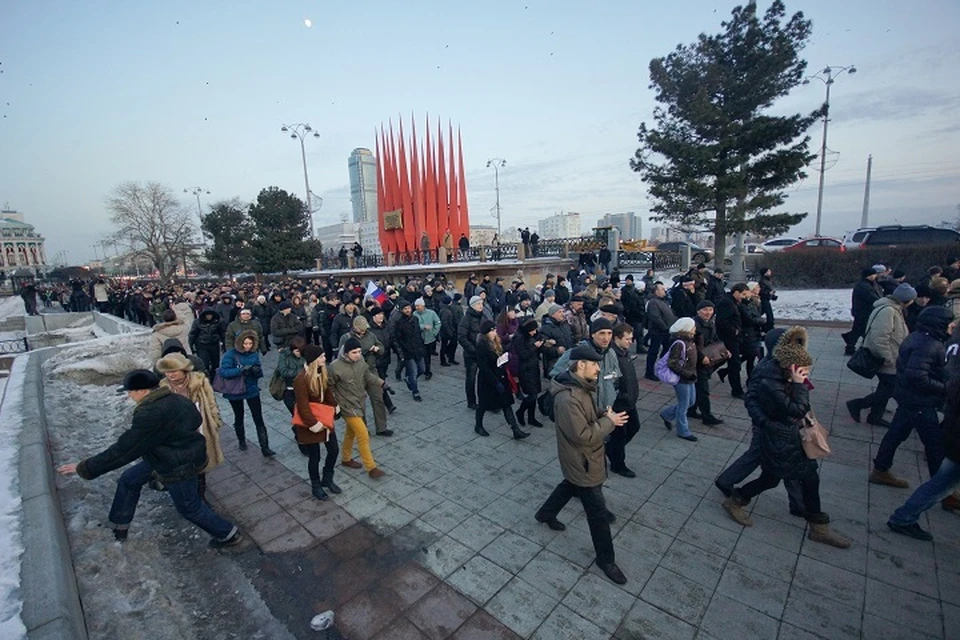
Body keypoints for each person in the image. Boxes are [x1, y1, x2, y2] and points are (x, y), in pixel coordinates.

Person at [57, 369, 242, 547]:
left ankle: (228, 534)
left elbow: (124, 450)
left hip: (177, 465)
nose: (129, 396)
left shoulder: (150, 414)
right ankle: (118, 526)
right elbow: (195, 420)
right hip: (171, 456)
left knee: (190, 508)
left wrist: (85, 468)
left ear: (143, 391)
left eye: (130, 392)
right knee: (129, 479)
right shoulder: (175, 399)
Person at [720, 327, 851, 548]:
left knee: (806, 478)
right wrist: (767, 421)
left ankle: (817, 526)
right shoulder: (768, 373)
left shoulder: (785, 368)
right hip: (778, 435)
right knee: (771, 477)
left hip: (790, 435)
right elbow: (793, 407)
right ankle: (735, 499)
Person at [534, 345, 629, 584]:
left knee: (569, 485)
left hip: (583, 459)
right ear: (580, 365)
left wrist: (602, 414)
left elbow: (587, 414)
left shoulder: (581, 387)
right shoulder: (568, 398)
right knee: (597, 513)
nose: (598, 368)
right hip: (582, 459)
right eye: (594, 364)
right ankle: (606, 559)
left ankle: (545, 514)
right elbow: (583, 435)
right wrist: (608, 422)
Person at [714, 328, 805, 517]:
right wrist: (763, 422)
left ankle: (799, 503)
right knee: (765, 456)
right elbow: (751, 399)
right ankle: (727, 482)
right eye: (790, 344)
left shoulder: (788, 365)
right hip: (769, 425)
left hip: (786, 424)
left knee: (788, 459)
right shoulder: (766, 369)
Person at [869, 306, 952, 490]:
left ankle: (880, 469)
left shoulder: (920, 337)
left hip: (909, 397)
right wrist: (945, 388)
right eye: (949, 323)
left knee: (896, 434)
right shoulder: (929, 344)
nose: (951, 327)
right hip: (920, 400)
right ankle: (944, 490)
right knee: (934, 445)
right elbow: (917, 376)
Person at [886, 354, 960, 540]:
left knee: (941, 481)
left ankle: (904, 516)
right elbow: (916, 374)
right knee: (941, 480)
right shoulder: (928, 344)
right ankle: (903, 517)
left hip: (951, 433)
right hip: (922, 405)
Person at [156, 352, 223, 504]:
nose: (170, 375)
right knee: (187, 466)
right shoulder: (163, 387)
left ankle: (201, 497)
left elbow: (212, 403)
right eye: (167, 372)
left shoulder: (200, 381)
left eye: (174, 371)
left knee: (201, 465)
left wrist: (215, 421)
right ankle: (195, 499)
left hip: (201, 427)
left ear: (184, 369)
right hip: (179, 433)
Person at [846, 283, 916, 428]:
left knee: (885, 387)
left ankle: (875, 416)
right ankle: (858, 404)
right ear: (907, 300)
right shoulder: (888, 311)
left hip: (891, 355)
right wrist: (888, 357)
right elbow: (880, 337)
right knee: (891, 388)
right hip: (885, 357)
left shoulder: (894, 309)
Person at [328, 337, 386, 478]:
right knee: (363, 434)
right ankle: (371, 468)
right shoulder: (335, 366)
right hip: (347, 405)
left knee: (350, 432)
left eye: (359, 351)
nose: (358, 354)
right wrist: (335, 403)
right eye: (354, 352)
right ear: (346, 353)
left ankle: (346, 458)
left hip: (360, 402)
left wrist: (382, 383)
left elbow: (368, 376)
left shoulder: (361, 362)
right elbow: (329, 387)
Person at [291, 345, 342, 500]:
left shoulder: (322, 372)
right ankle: (316, 486)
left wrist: (335, 406)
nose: (324, 359)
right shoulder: (301, 379)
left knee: (333, 450)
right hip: (310, 423)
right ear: (313, 360)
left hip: (324, 417)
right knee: (315, 456)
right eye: (321, 357)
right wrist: (313, 424)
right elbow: (302, 406)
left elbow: (327, 392)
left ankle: (327, 478)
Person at [218, 330, 275, 457]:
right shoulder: (230, 355)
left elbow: (259, 372)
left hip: (251, 389)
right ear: (240, 343)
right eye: (245, 343)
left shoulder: (254, 354)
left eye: (250, 343)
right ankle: (241, 440)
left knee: (258, 418)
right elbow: (224, 372)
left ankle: (265, 447)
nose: (247, 346)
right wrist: (241, 370)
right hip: (235, 391)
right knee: (239, 416)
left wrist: (256, 371)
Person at [474, 320, 530, 439]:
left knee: (506, 404)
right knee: (483, 404)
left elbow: (503, 353)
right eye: (492, 331)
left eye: (495, 330)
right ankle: (478, 425)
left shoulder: (496, 342)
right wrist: (495, 382)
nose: (495, 333)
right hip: (488, 381)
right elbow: (484, 367)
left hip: (501, 377)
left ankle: (515, 429)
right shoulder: (482, 345)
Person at [338, 315, 394, 434]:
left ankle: (381, 427)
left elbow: (382, 348)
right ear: (355, 327)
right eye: (361, 328)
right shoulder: (346, 338)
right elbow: (341, 356)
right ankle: (362, 429)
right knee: (359, 403)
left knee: (378, 399)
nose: (363, 330)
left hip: (371, 370)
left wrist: (377, 349)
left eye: (364, 328)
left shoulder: (371, 335)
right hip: (355, 374)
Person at [607, 323, 640, 478]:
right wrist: (621, 396)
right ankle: (618, 464)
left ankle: (612, 450)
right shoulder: (612, 355)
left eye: (631, 338)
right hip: (619, 403)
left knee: (634, 427)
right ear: (617, 338)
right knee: (619, 435)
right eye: (627, 339)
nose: (630, 342)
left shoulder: (624, 352)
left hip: (630, 400)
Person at [659, 318, 699, 441]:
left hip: (690, 376)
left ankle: (666, 413)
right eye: (693, 327)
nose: (695, 329)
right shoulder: (679, 344)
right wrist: (686, 373)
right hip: (682, 379)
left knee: (691, 401)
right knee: (684, 404)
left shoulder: (690, 341)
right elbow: (673, 363)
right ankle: (683, 430)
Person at [691, 300, 726, 425]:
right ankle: (707, 416)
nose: (708, 312)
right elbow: (692, 344)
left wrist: (724, 350)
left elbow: (715, 339)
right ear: (698, 311)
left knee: (698, 387)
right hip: (697, 361)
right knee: (703, 388)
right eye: (705, 310)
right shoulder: (694, 324)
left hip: (708, 358)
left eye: (710, 310)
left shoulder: (710, 322)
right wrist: (701, 357)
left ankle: (691, 409)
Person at [510, 318, 547, 428]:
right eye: (532, 330)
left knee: (534, 394)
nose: (534, 332)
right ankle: (520, 412)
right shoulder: (519, 338)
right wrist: (534, 347)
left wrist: (542, 342)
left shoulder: (531, 336)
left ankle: (531, 417)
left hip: (534, 368)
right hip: (525, 369)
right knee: (532, 395)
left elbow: (539, 337)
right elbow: (523, 355)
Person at [715, 283, 747, 397]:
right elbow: (721, 321)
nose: (744, 297)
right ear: (736, 292)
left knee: (725, 360)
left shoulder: (733, 301)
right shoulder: (727, 303)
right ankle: (736, 390)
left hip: (733, 338)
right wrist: (734, 330)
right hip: (729, 338)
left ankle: (716, 372)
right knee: (734, 364)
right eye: (743, 294)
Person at [843, 268, 883, 355]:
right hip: (863, 312)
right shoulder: (864, 286)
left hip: (862, 311)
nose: (876, 276)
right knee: (862, 331)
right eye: (874, 274)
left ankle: (851, 346)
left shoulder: (867, 284)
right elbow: (872, 298)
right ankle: (854, 348)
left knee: (858, 330)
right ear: (869, 275)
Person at [644, 283, 678, 381]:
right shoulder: (654, 302)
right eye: (662, 289)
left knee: (667, 349)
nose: (665, 291)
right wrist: (666, 328)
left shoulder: (662, 301)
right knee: (653, 352)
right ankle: (649, 372)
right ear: (656, 291)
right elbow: (655, 318)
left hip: (665, 331)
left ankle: (662, 366)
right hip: (658, 332)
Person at [458, 296, 485, 409]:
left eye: (481, 304)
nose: (481, 306)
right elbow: (461, 337)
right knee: (471, 378)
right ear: (473, 306)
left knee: (485, 378)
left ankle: (485, 400)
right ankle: (471, 401)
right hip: (471, 354)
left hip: (483, 353)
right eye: (478, 304)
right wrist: (473, 349)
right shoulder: (466, 319)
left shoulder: (482, 317)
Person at [190, 308, 225, 376]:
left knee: (215, 364)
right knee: (204, 363)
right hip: (201, 345)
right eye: (207, 315)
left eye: (210, 315)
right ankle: (205, 378)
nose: (209, 316)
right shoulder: (197, 322)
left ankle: (214, 379)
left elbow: (222, 333)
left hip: (214, 344)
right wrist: (191, 345)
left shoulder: (218, 322)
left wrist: (224, 344)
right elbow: (193, 334)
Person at [414, 297, 441, 380]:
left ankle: (427, 371)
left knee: (427, 356)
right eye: (416, 306)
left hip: (430, 338)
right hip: (419, 339)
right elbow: (413, 326)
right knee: (419, 356)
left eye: (418, 306)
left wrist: (434, 333)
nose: (417, 307)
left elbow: (438, 323)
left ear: (423, 306)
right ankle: (418, 370)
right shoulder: (414, 314)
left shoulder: (431, 313)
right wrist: (423, 327)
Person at [758, 266, 777, 333]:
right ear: (765, 273)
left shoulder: (767, 280)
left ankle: (766, 327)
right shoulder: (763, 281)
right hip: (764, 300)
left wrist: (772, 296)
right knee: (769, 315)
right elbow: (761, 291)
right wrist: (769, 293)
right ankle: (768, 327)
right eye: (768, 271)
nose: (770, 272)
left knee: (762, 313)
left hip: (766, 299)